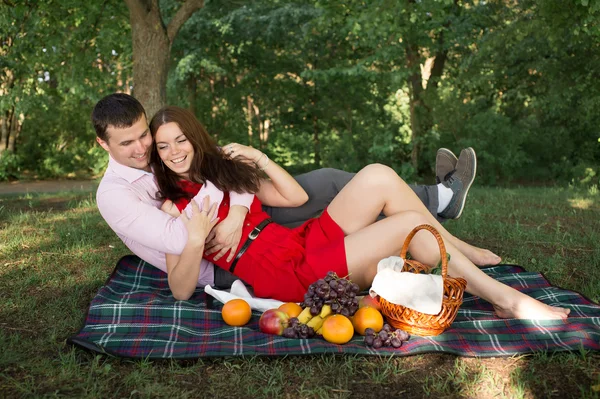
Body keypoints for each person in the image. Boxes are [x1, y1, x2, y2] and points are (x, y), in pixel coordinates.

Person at [149, 105, 569, 320]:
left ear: (196, 137)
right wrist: (193, 238)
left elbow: (293, 198)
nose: (174, 153)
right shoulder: (175, 207)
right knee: (404, 224)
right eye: (163, 146)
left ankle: (460, 248)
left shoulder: (224, 174)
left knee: (377, 175)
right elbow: (182, 289)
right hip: (283, 272)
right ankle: (506, 299)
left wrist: (258, 156)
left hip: (301, 240)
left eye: (180, 140)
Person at [92, 93, 496, 292]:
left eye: (143, 135)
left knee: (335, 180)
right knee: (335, 186)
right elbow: (184, 236)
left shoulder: (176, 152)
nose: (142, 148)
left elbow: (235, 177)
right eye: (128, 144)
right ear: (103, 145)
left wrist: (240, 196)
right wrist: (232, 205)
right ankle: (442, 207)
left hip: (252, 228)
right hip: (223, 260)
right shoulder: (117, 195)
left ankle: (449, 230)